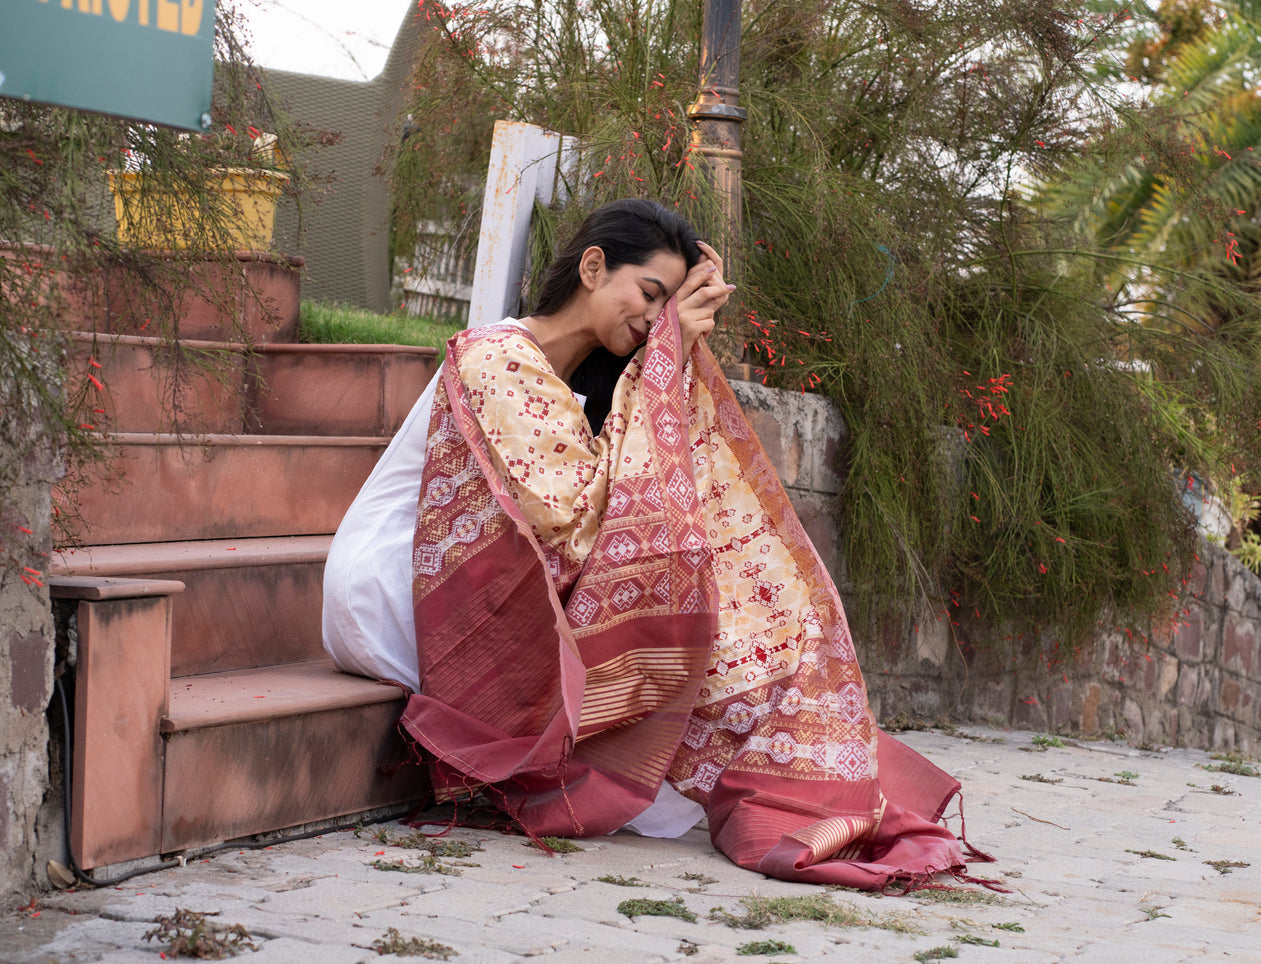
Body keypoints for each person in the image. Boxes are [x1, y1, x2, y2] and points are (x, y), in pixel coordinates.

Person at [324, 198, 993, 890]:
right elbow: (572, 519)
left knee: (694, 696)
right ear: (592, 266)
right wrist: (663, 360)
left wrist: (666, 356)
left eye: (669, 308)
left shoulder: (595, 386)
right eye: (649, 295)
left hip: (481, 589)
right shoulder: (498, 354)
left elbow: (631, 495)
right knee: (660, 714)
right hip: (391, 591)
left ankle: (810, 777)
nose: (654, 320)